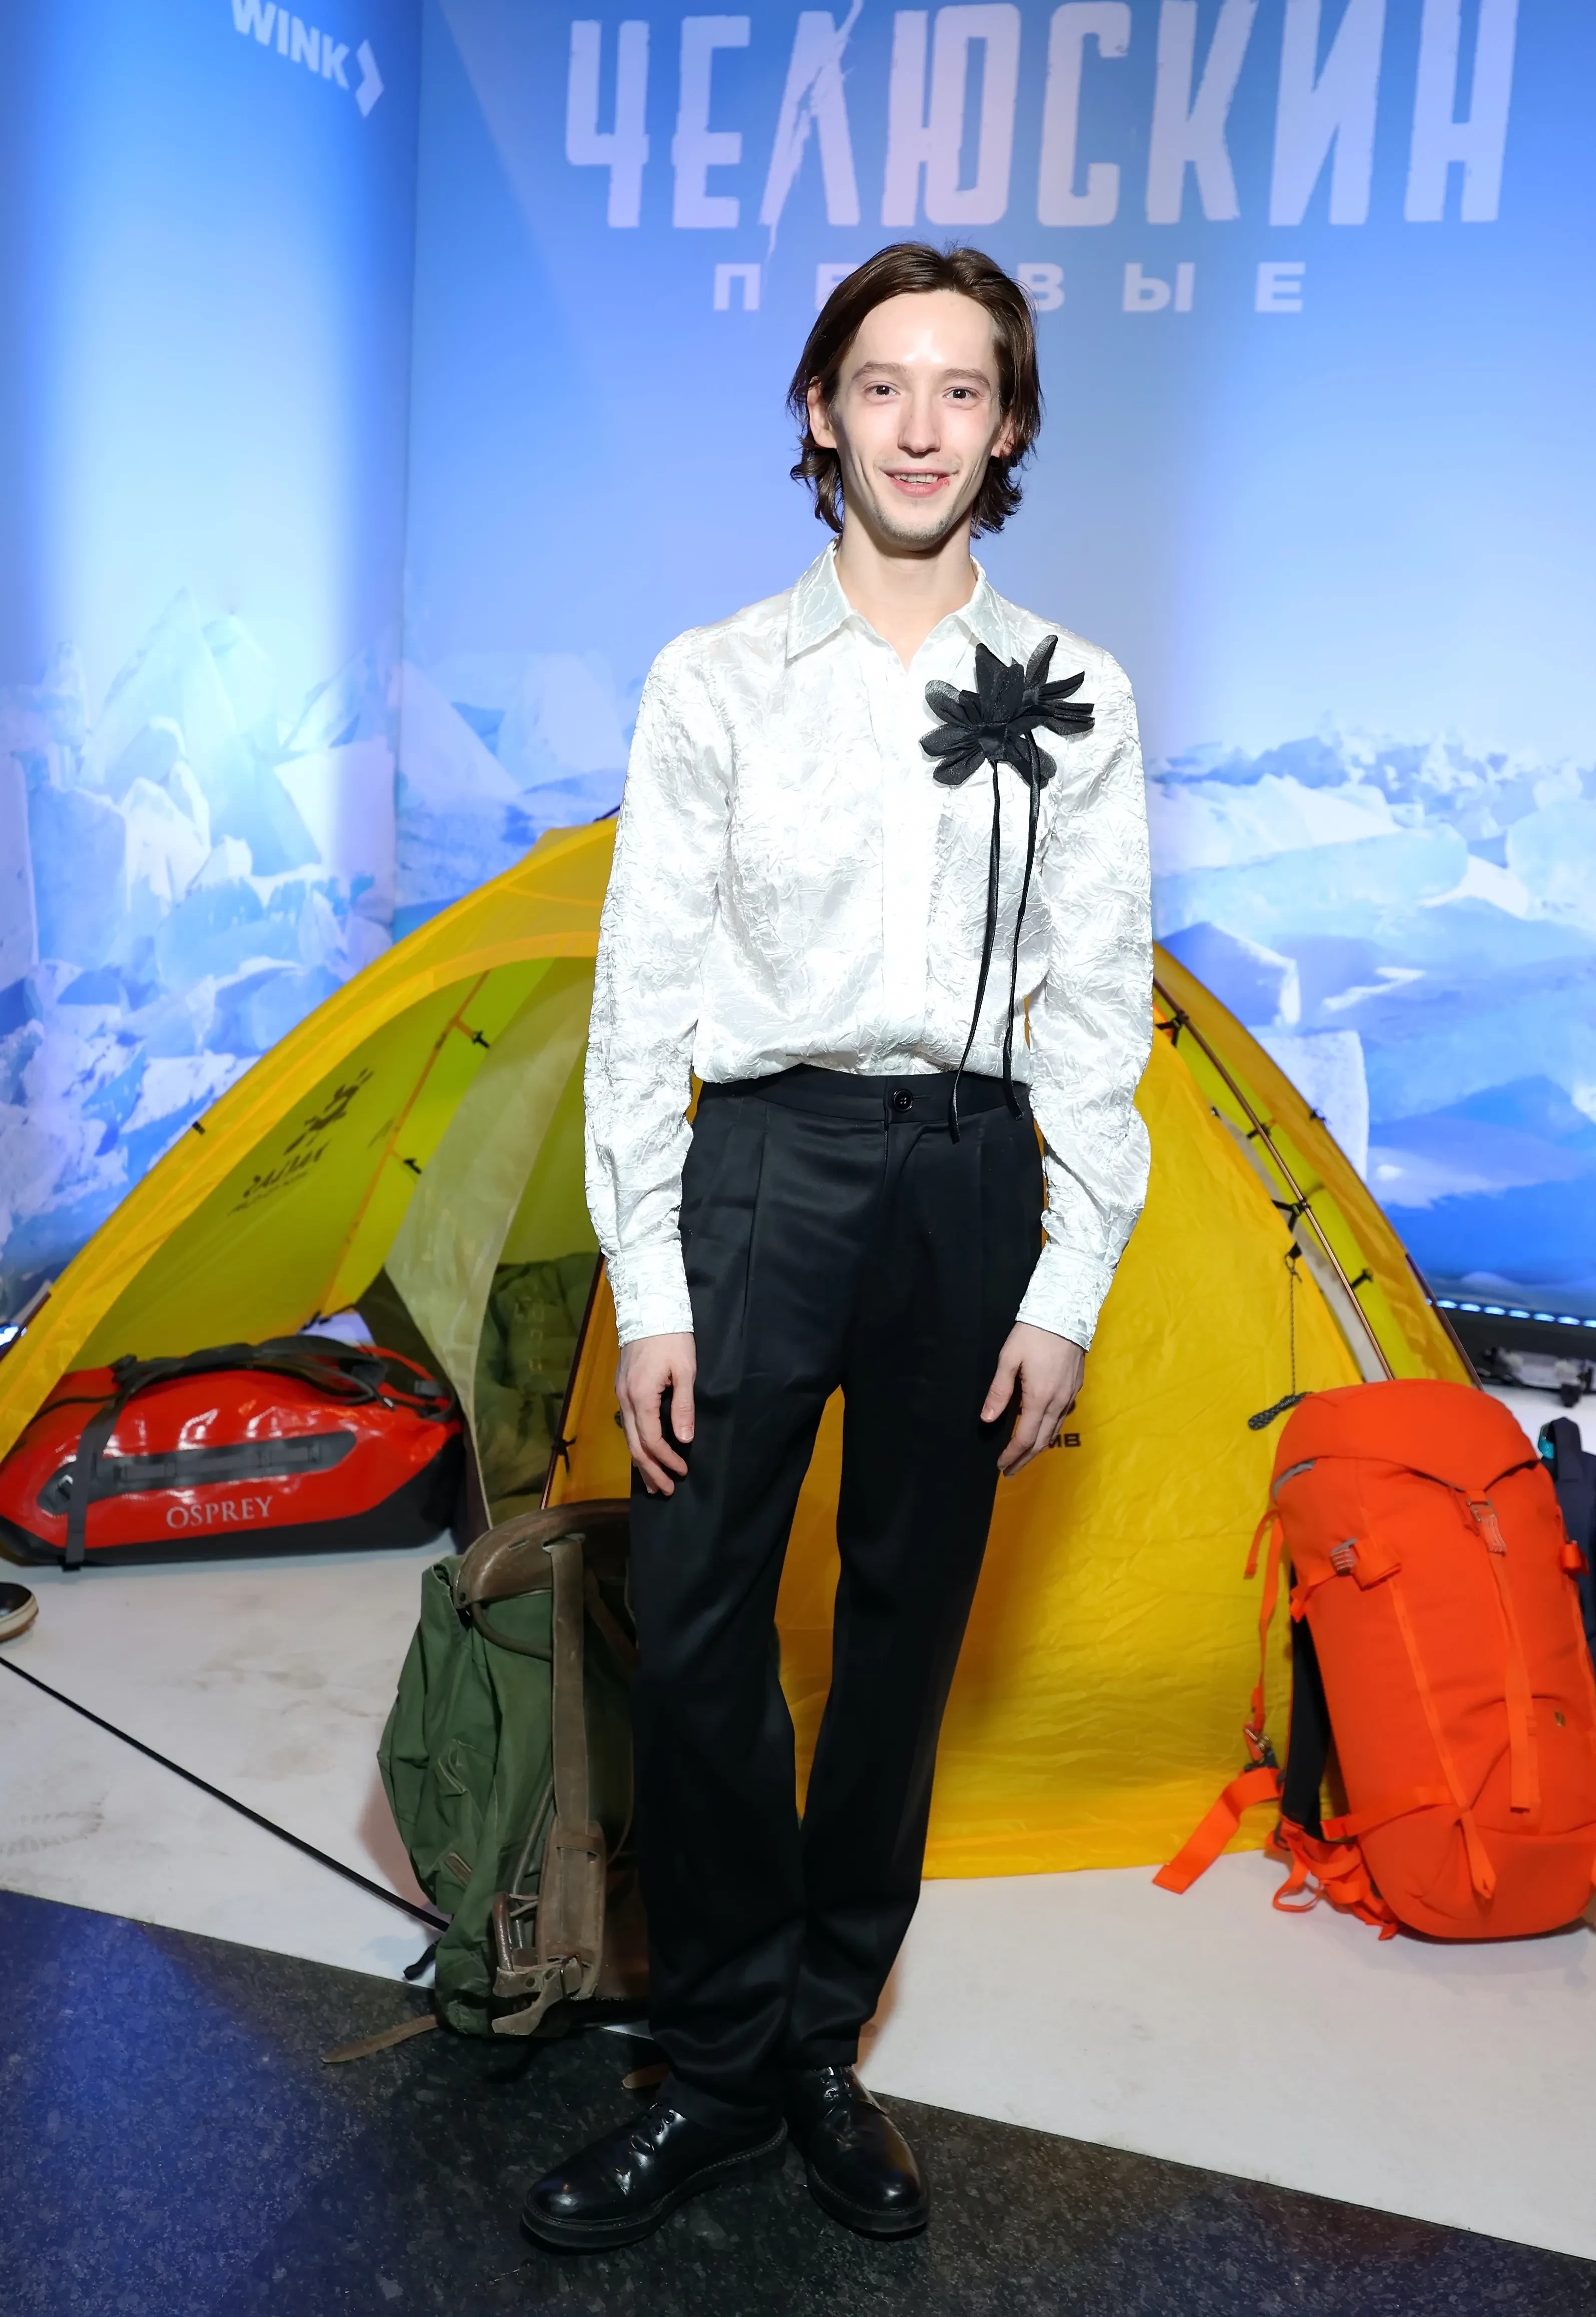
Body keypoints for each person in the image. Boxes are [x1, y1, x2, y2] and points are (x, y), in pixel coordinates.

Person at [522, 242, 1152, 2252]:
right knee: (699, 1612)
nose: (918, 425)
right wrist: (654, 1279)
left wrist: (1064, 1281)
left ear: (1008, 424)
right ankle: (712, 2060)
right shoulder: (712, 677)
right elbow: (643, 997)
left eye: (961, 388)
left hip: (968, 1180)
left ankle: (816, 2041)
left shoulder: (1078, 694)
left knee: (902, 1629)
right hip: (764, 1167)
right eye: (882, 383)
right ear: (819, 409)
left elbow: (1094, 1009)